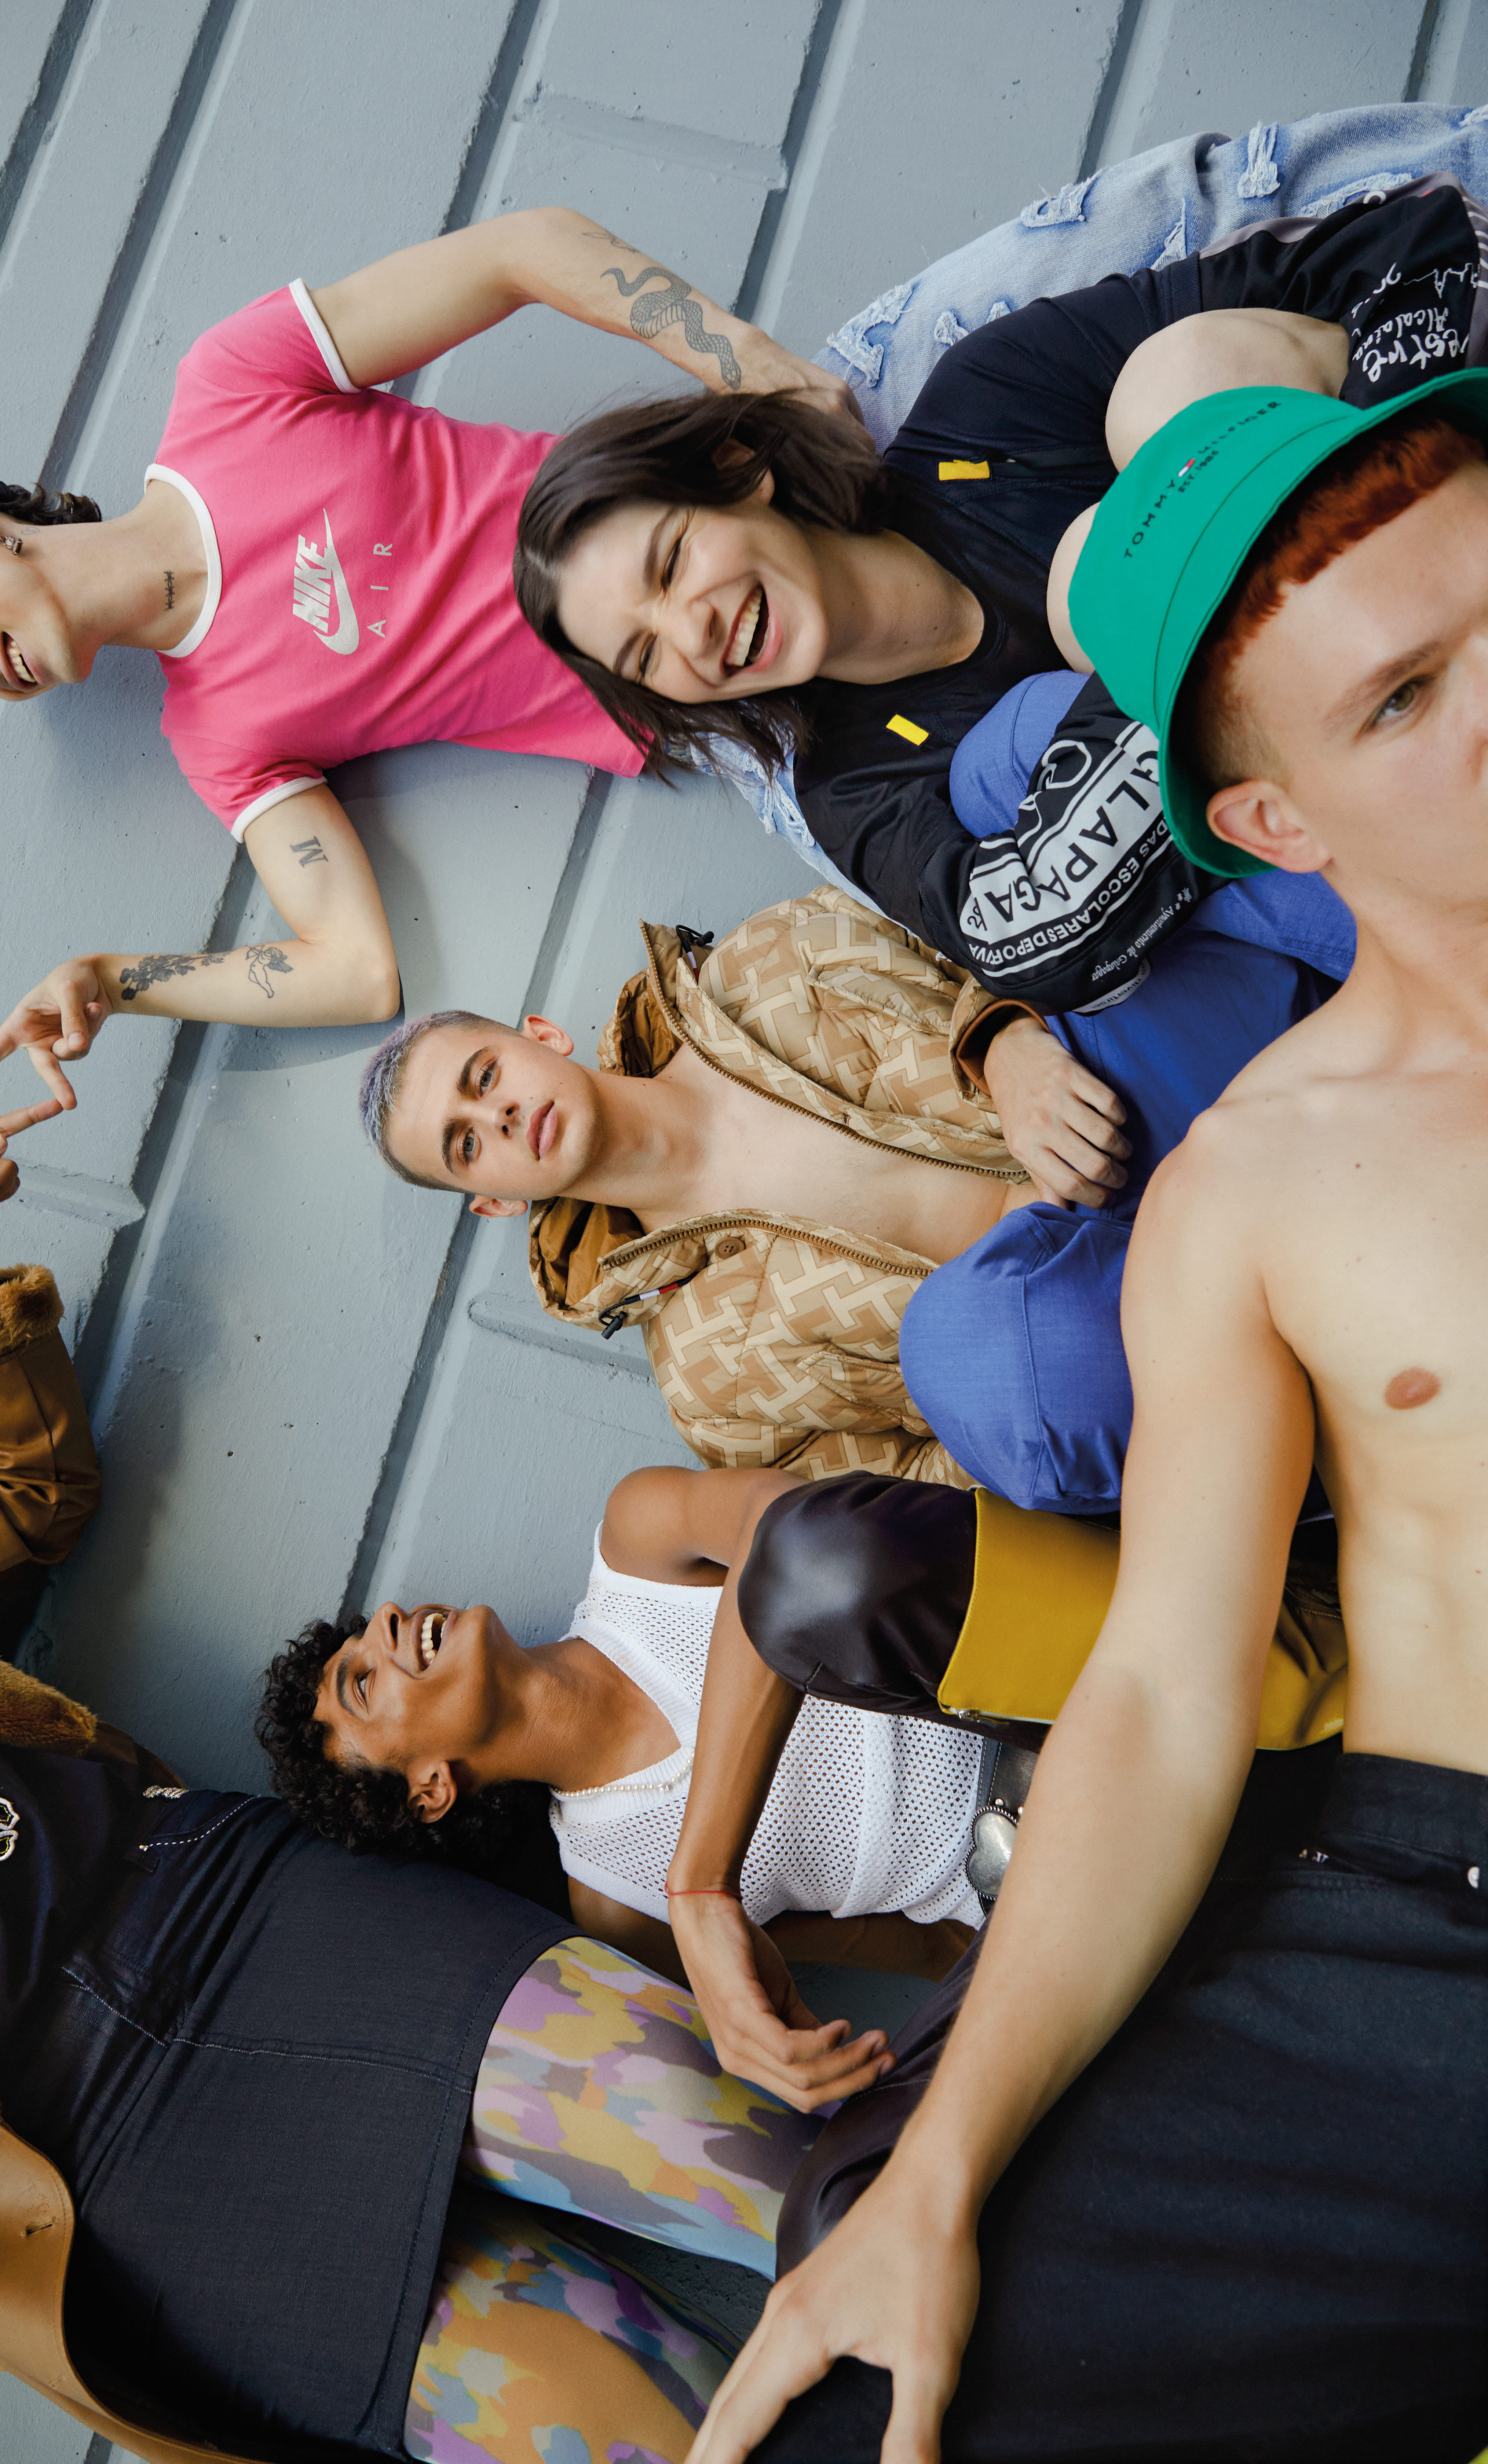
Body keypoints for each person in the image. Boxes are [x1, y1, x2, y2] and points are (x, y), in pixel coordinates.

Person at [679, 380, 1488, 2464]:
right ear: (1279, 820)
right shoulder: (1262, 1189)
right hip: (1444, 1936)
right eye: (1406, 699)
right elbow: (1159, 1692)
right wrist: (937, 2173)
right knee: (874, 2404)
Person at [0, 1085, 881, 2464]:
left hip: (246, 1917)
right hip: (124, 2194)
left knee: (812, 2176)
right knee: (663, 2437)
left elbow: (30, 1498)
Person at [0, 208, 845, 1109]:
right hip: (753, 712)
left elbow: (519, 251)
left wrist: (755, 367)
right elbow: (356, 971)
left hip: (740, 493)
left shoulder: (229, 390)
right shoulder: (218, 741)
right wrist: (115, 981)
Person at [517, 176, 1484, 1014]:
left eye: (671, 564)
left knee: (1171, 390)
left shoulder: (991, 399)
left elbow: (1418, 247)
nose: (691, 629)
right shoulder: (849, 783)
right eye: (645, 655)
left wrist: (1308, 512)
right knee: (1058, 654)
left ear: (738, 470)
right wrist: (1172, 642)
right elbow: (1032, 946)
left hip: (1434, 572)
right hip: (1373, 824)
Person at [362, 878, 1348, 1515]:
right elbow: (936, 1487)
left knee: (1107, 933)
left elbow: (974, 925)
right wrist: (1009, 1303)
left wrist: (1002, 1039)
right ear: (490, 1202)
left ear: (539, 1036)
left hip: (1123, 1106)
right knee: (972, 1354)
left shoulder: (770, 959)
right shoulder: (711, 1386)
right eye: (465, 1145)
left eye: (484, 1076)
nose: (498, 1117)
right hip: (1113, 1325)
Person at [257, 1463, 987, 1995]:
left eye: (362, 1635)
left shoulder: (639, 1549)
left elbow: (793, 1523)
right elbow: (933, 1949)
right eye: (362, 1683)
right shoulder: (620, 1905)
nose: (387, 1618)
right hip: (1009, 1884)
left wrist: (700, 1879)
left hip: (1020, 1652)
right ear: (429, 1791)